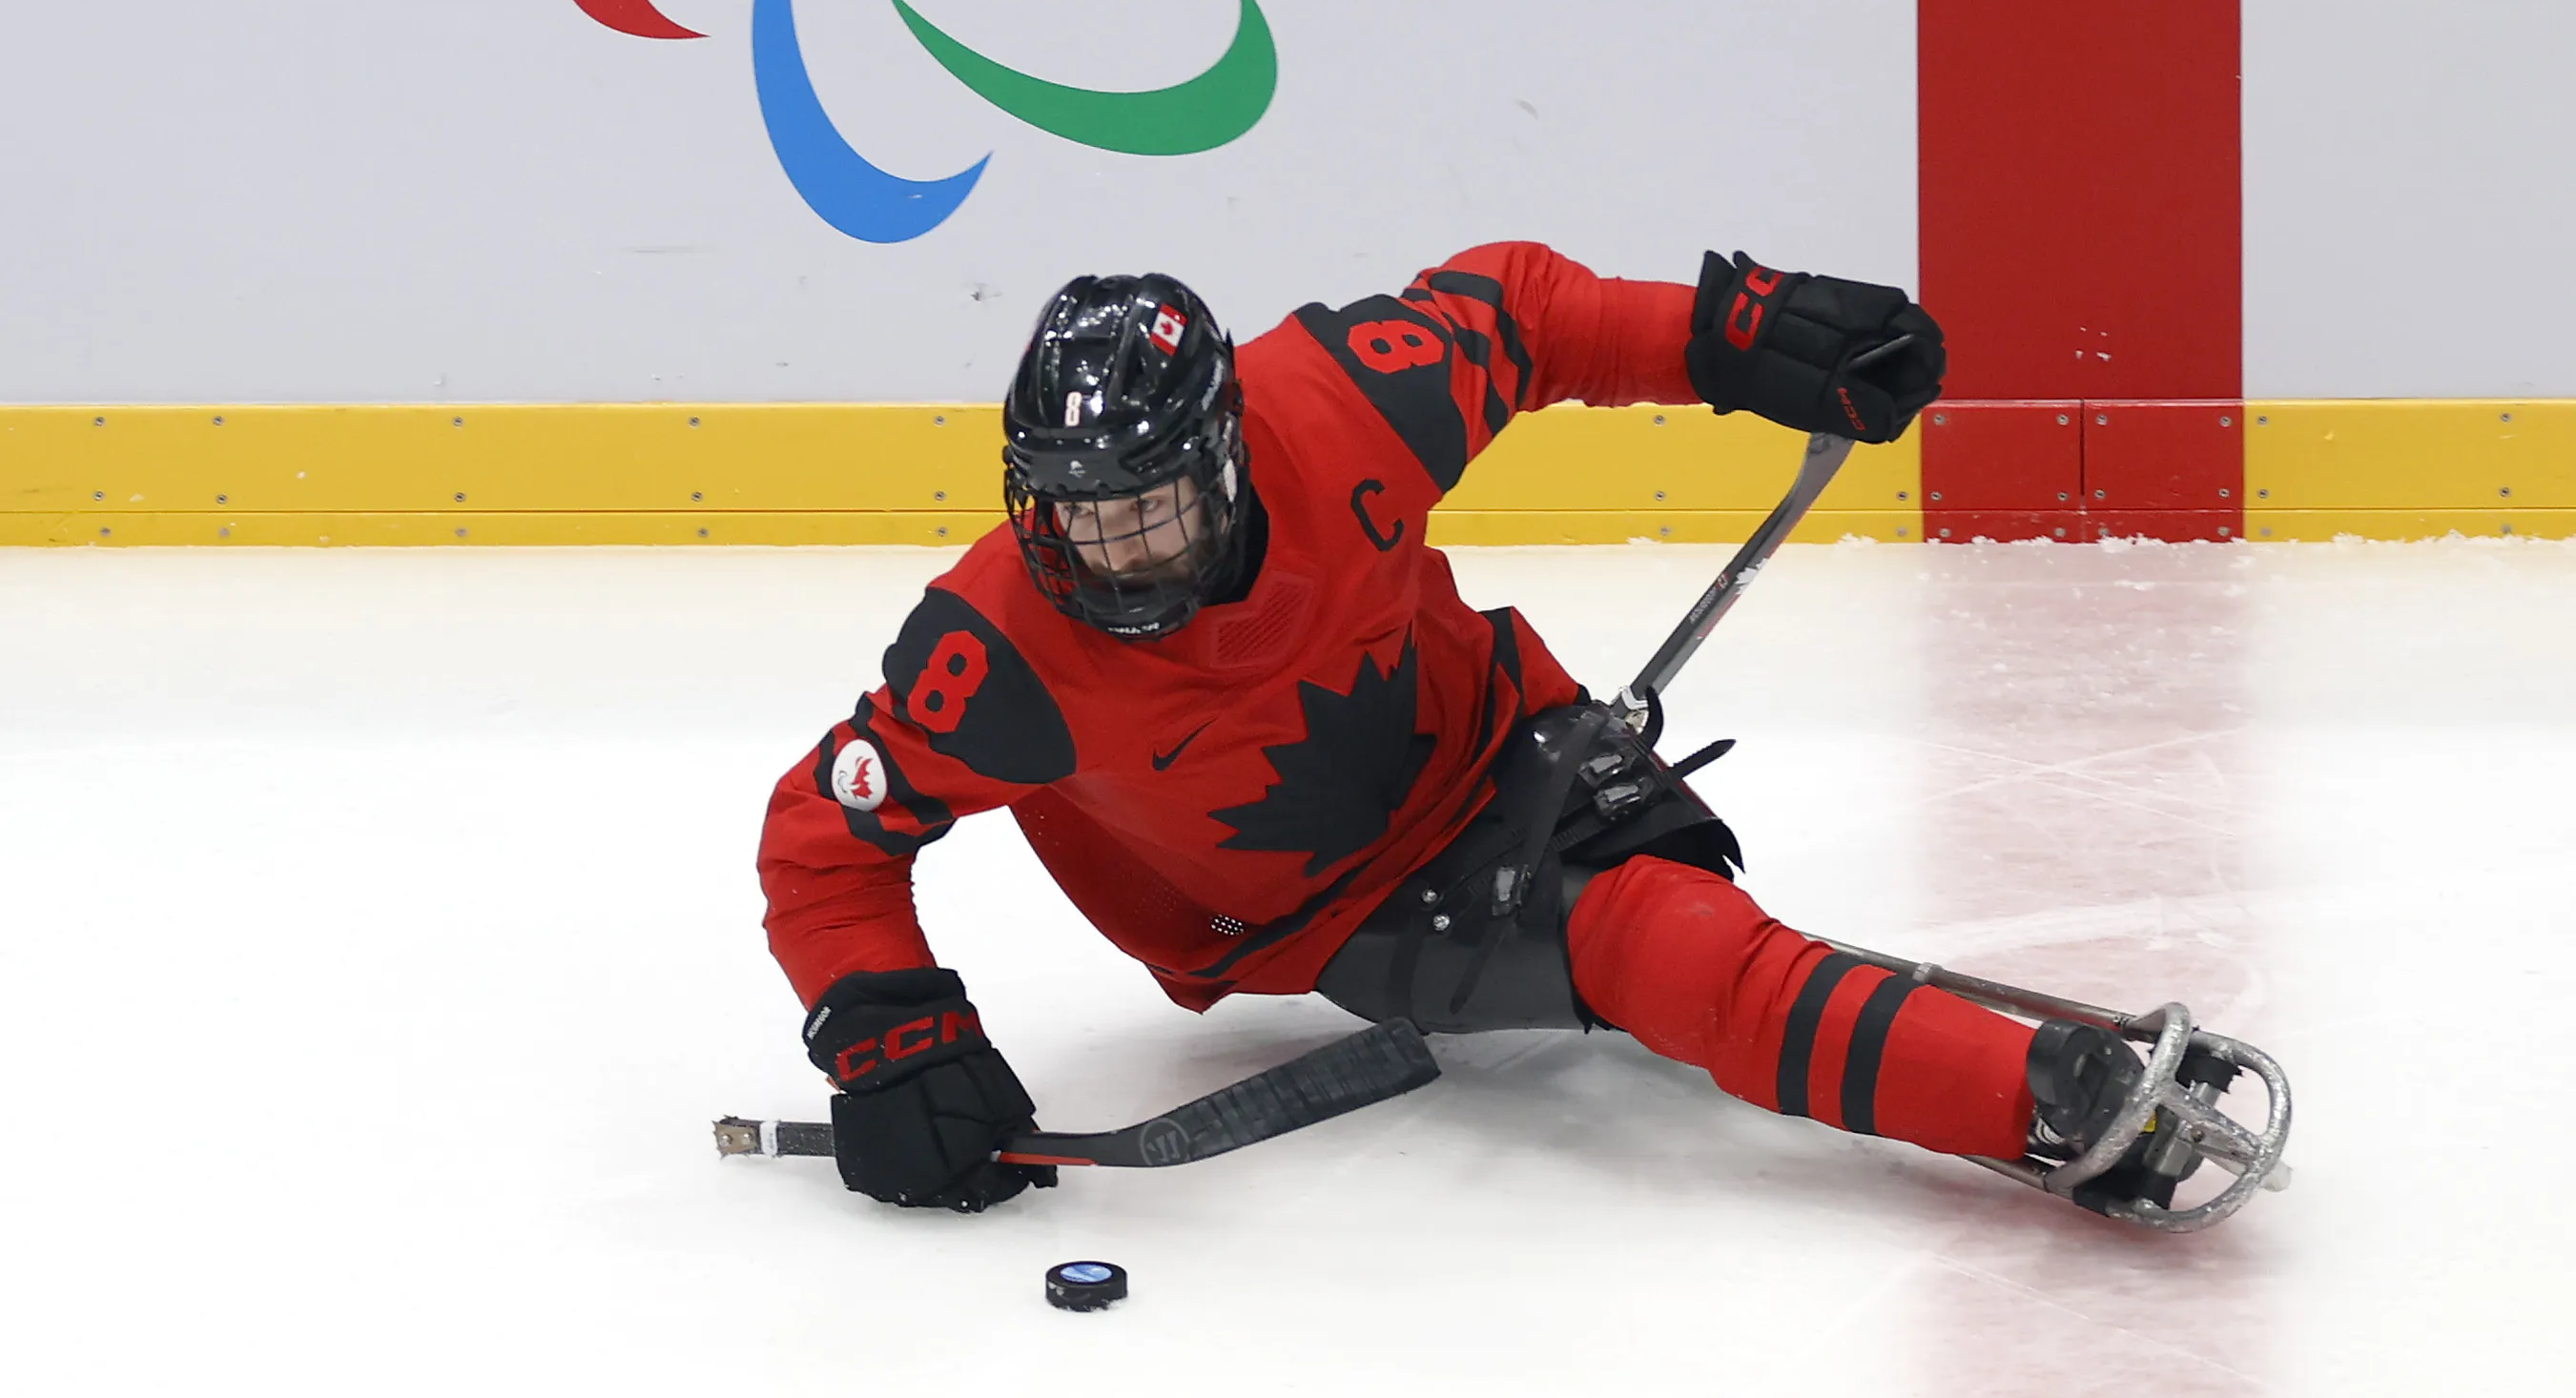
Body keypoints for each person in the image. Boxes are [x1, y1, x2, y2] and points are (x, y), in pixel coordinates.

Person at [758, 242, 2153, 1214]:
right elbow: (823, 838)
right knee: (1667, 945)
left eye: (1149, 507)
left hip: (1510, 741)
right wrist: (890, 1033)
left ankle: (1997, 1079)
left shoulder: (1338, 403)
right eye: (1072, 513)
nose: (1112, 555)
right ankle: (2027, 1095)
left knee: (1686, 925)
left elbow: (1522, 314)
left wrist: (1734, 329)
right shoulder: (996, 651)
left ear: (1229, 457)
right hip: (1336, 913)